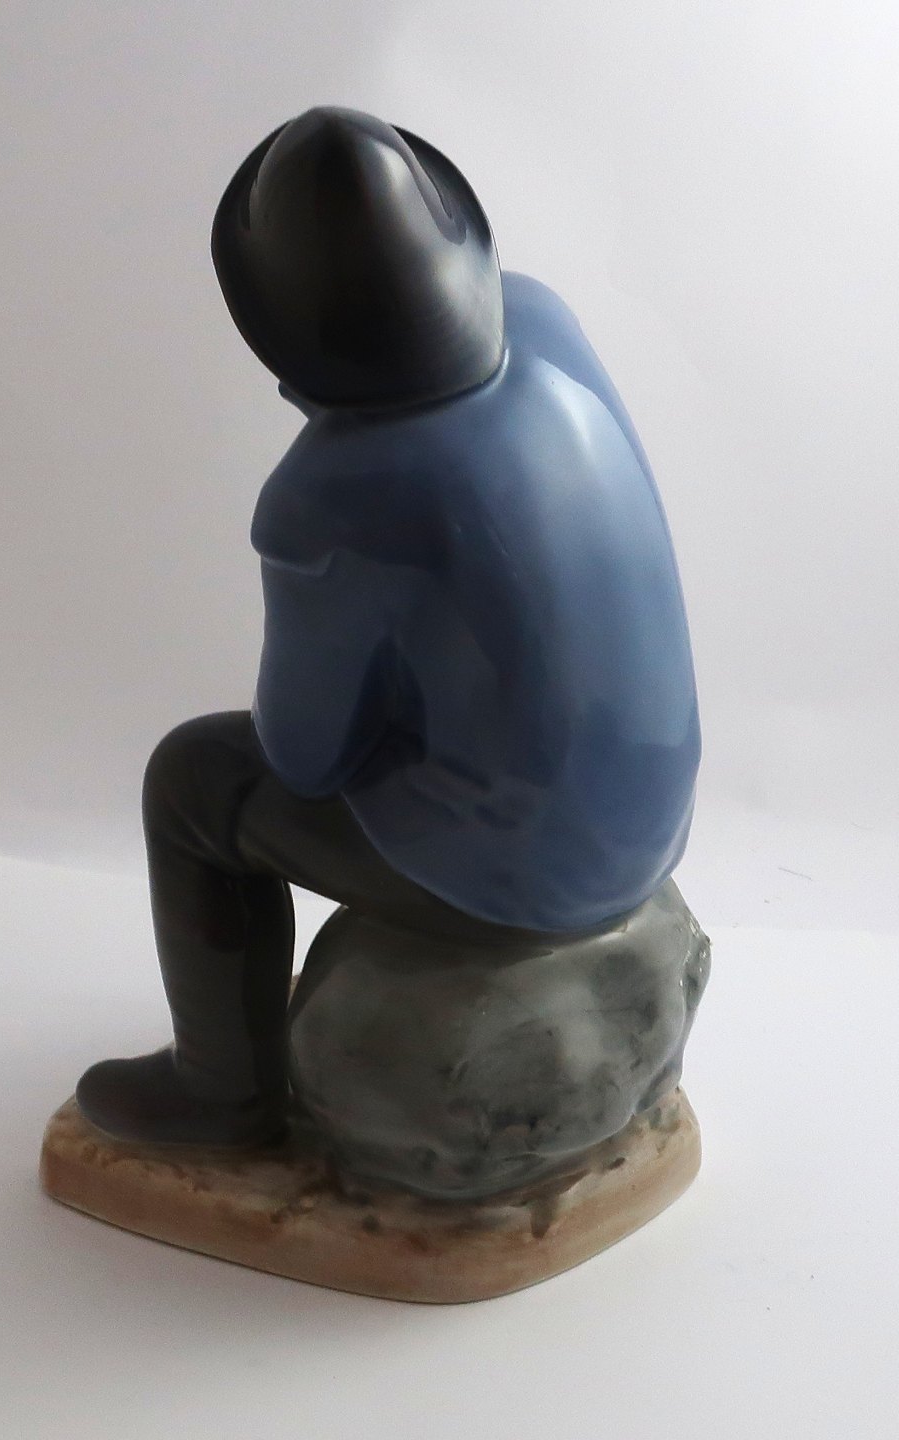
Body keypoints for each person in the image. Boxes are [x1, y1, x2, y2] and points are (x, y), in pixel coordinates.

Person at [75, 107, 701, 1148]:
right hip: (655, 811)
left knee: (192, 782)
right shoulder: (545, 320)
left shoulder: (330, 496)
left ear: (289, 359)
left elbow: (303, 756)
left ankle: (221, 1094)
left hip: (521, 874)